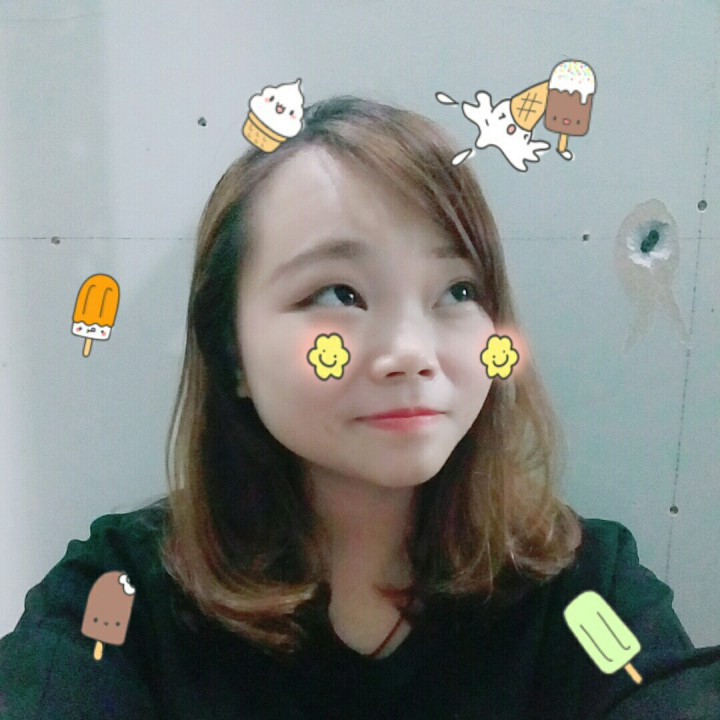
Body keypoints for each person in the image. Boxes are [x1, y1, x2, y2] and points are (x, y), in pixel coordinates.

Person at [1, 96, 718, 719]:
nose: (410, 351)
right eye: (338, 293)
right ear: (231, 352)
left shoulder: (582, 594)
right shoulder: (123, 597)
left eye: (458, 291)